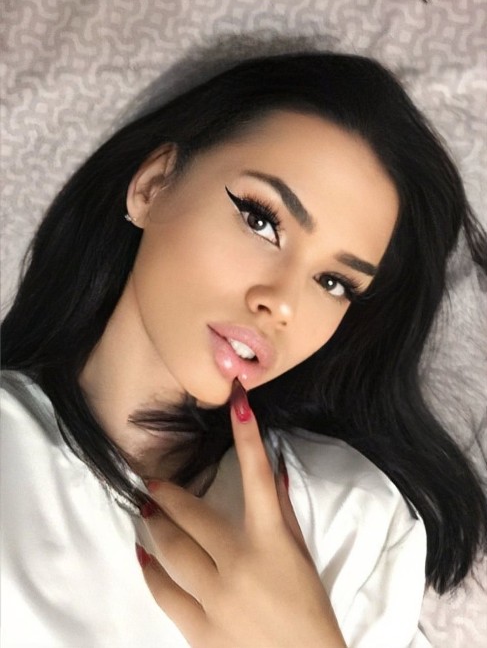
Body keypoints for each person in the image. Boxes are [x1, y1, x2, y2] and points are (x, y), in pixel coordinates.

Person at [1, 51, 486, 648]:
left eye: (334, 282)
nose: (283, 304)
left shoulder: (353, 514)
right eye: (261, 221)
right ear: (153, 185)